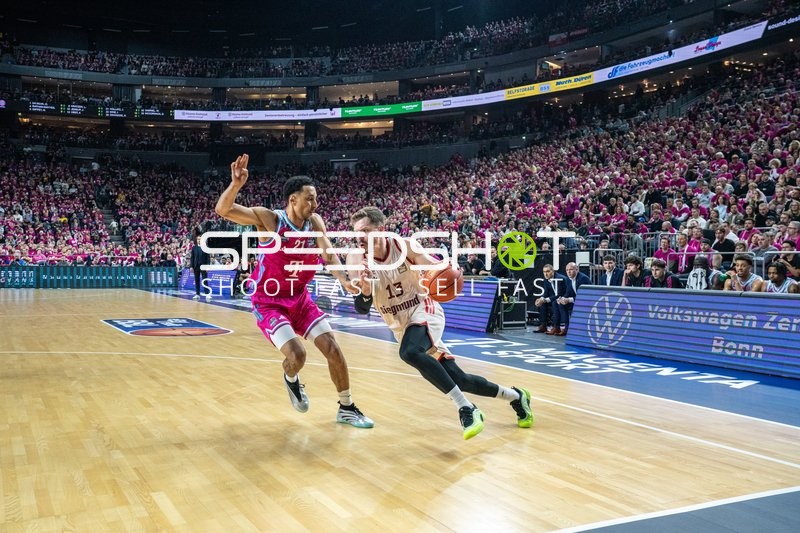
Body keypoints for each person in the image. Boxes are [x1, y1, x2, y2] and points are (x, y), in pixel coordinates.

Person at [214, 154, 373, 429]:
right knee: (297, 356)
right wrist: (236, 185)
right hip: (270, 303)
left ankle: (346, 407)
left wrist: (345, 280)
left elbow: (329, 255)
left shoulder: (316, 223)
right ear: (293, 200)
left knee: (333, 348)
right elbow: (223, 210)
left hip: (300, 298)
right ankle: (291, 378)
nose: (315, 204)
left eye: (315, 198)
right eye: (309, 199)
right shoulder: (268, 220)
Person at [348, 206, 533, 440]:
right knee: (461, 379)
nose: (359, 238)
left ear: (381, 230)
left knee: (409, 352)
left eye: (365, 231)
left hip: (424, 310)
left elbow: (435, 267)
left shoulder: (403, 246)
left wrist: (443, 270)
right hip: (401, 327)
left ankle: (467, 408)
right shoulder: (355, 259)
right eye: (356, 233)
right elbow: (361, 308)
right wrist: (364, 290)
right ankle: (517, 397)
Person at [557, 262, 591, 333]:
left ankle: (576, 329)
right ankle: (566, 328)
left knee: (571, 305)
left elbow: (584, 296)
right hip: (576, 301)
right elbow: (568, 292)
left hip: (586, 301)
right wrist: (562, 298)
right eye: (567, 270)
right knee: (561, 304)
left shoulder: (583, 278)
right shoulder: (568, 279)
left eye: (571, 269)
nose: (568, 272)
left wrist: (569, 300)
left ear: (577, 269)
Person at [534, 264, 568, 335]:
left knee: (554, 303)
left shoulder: (560, 279)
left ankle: (556, 327)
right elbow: (546, 292)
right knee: (542, 303)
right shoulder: (546, 279)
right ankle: (543, 325)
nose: (545, 274)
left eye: (548, 271)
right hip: (553, 298)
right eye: (544, 272)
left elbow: (559, 294)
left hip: (562, 298)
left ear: (553, 271)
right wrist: (541, 299)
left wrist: (545, 300)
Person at [190, 236, 211, 301]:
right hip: (196, 266)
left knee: (205, 280)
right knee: (197, 280)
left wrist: (207, 267)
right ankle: (197, 294)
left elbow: (208, 258)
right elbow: (192, 258)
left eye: (200, 239)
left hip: (203, 266)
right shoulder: (194, 248)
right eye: (198, 239)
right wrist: (191, 266)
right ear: (197, 240)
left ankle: (207, 294)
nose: (199, 240)